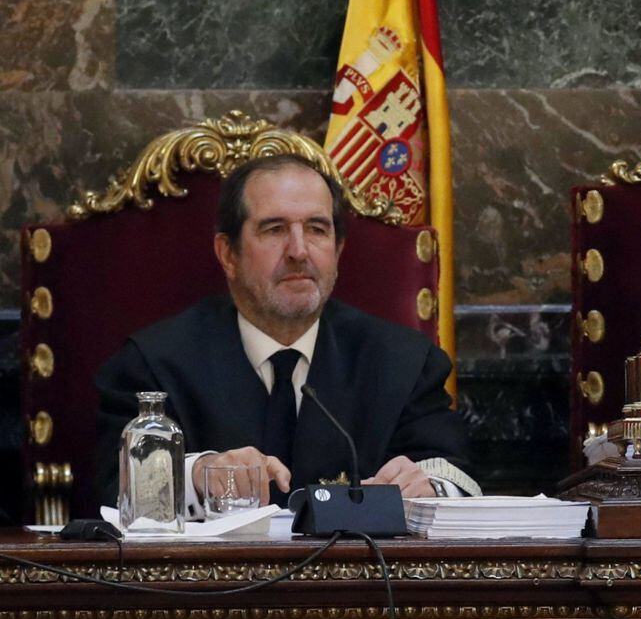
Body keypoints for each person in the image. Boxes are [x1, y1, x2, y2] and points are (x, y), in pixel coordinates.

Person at [94, 154, 478, 514]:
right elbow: (108, 493)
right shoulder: (153, 365)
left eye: (316, 229)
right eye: (274, 229)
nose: (299, 250)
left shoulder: (402, 361)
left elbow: (455, 474)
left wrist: (428, 485)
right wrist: (197, 475)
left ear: (338, 250)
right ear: (227, 254)